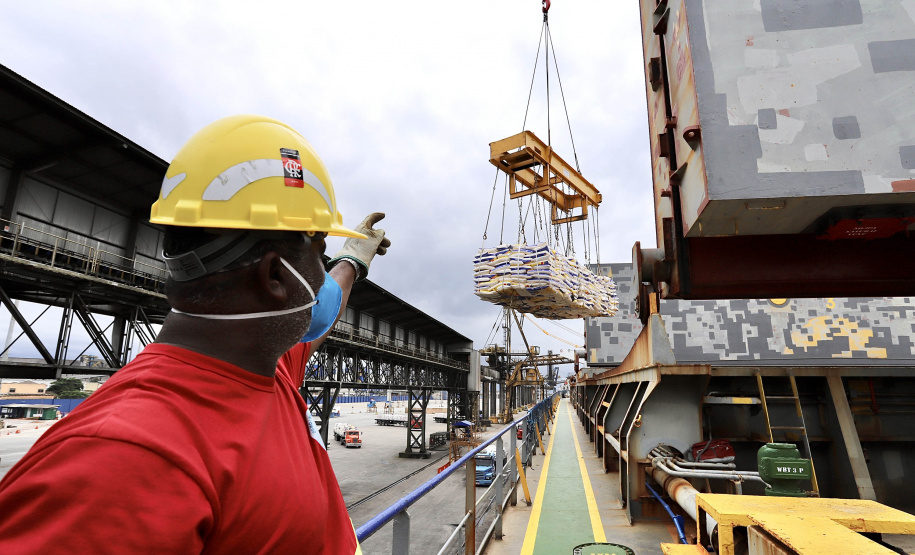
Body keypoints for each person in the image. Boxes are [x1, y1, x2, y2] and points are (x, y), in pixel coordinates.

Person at [0, 115, 390, 554]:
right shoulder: (125, 459)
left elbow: (321, 312)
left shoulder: (264, 365)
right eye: (317, 256)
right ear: (276, 277)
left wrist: (352, 259)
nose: (322, 276)